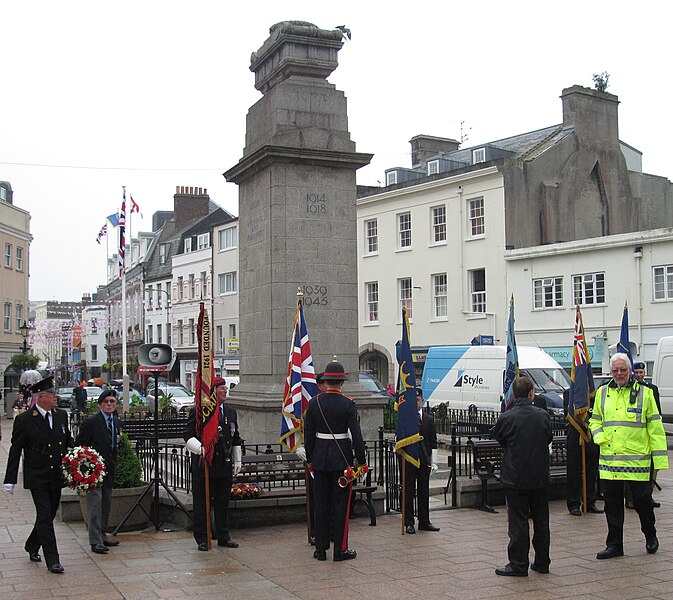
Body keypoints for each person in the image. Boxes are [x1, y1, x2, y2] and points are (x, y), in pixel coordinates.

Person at [589, 353, 668, 559]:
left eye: (623, 370)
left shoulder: (645, 393)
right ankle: (615, 545)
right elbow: (594, 420)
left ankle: (650, 536)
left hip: (637, 461)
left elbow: (655, 429)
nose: (619, 374)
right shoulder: (602, 392)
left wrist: (658, 462)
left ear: (630, 371)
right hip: (610, 461)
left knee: (643, 503)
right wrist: (599, 437)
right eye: (615, 370)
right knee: (612, 506)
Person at [3, 375, 73, 574]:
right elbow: (16, 449)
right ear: (41, 397)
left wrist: (80, 456)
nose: (56, 397)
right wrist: (10, 480)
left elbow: (67, 441)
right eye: (52, 394)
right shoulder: (25, 420)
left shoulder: (60, 416)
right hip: (37, 476)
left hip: (55, 475)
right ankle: (53, 560)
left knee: (48, 515)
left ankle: (32, 545)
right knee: (44, 515)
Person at [304, 360, 367, 562]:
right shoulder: (348, 404)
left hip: (320, 460)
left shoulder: (314, 403)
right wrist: (361, 462)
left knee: (320, 505)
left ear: (327, 381)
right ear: (341, 382)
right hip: (342, 462)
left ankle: (320, 550)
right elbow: (357, 437)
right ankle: (339, 550)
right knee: (341, 506)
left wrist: (311, 460)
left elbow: (308, 437)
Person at [492, 376, 552, 577]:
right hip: (540, 477)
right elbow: (548, 437)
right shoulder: (542, 415)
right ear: (531, 393)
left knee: (518, 522)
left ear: (513, 396)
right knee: (541, 520)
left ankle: (518, 564)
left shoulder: (507, 417)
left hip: (515, 477)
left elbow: (499, 437)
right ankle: (542, 562)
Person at [183, 376, 242, 551]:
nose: (225, 390)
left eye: (225, 387)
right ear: (212, 391)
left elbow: (235, 437)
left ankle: (223, 535)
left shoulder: (230, 412)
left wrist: (237, 459)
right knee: (202, 502)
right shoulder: (200, 411)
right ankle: (202, 537)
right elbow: (187, 435)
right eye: (221, 388)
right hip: (204, 464)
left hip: (223, 463)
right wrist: (200, 449)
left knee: (223, 502)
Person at [75, 389, 122, 554]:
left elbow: (116, 442)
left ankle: (102, 533)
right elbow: (80, 445)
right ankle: (95, 540)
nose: (109, 404)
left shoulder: (116, 421)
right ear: (100, 404)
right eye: (106, 402)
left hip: (109, 468)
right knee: (95, 504)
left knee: (106, 503)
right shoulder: (91, 422)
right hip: (94, 469)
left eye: (112, 402)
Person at [404, 388, 440, 534]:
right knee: (409, 491)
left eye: (418, 400)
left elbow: (433, 442)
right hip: (410, 460)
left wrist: (435, 461)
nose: (416, 402)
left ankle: (424, 521)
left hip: (424, 460)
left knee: (424, 491)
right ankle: (409, 522)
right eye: (413, 400)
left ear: (422, 401)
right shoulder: (406, 418)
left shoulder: (428, 419)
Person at [563, 388, 602, 516]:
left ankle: (590, 502)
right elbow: (568, 414)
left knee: (591, 472)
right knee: (574, 472)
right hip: (575, 436)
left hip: (591, 436)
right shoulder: (570, 393)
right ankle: (574, 504)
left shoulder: (595, 394)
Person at [632, 361, 662, 508]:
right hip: (637, 436)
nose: (638, 375)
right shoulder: (631, 389)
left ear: (644, 373)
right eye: (636, 372)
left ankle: (648, 496)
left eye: (641, 373)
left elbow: (657, 411)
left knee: (651, 469)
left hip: (650, 433)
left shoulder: (652, 389)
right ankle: (631, 499)